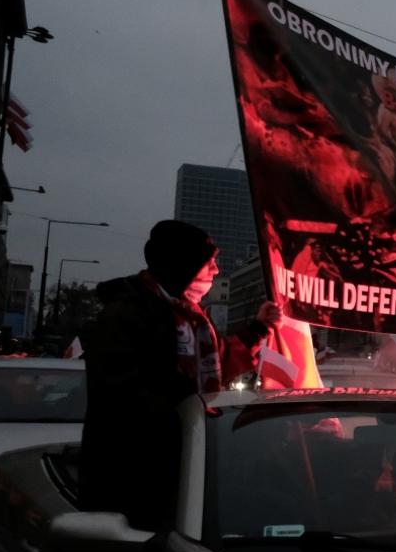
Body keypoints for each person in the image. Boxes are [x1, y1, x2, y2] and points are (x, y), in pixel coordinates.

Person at [79, 220, 279, 528]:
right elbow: (123, 392)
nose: (216, 271)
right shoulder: (128, 314)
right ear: (184, 265)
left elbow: (218, 364)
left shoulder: (192, 316)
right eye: (209, 263)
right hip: (138, 472)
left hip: (185, 460)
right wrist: (184, 410)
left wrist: (258, 328)